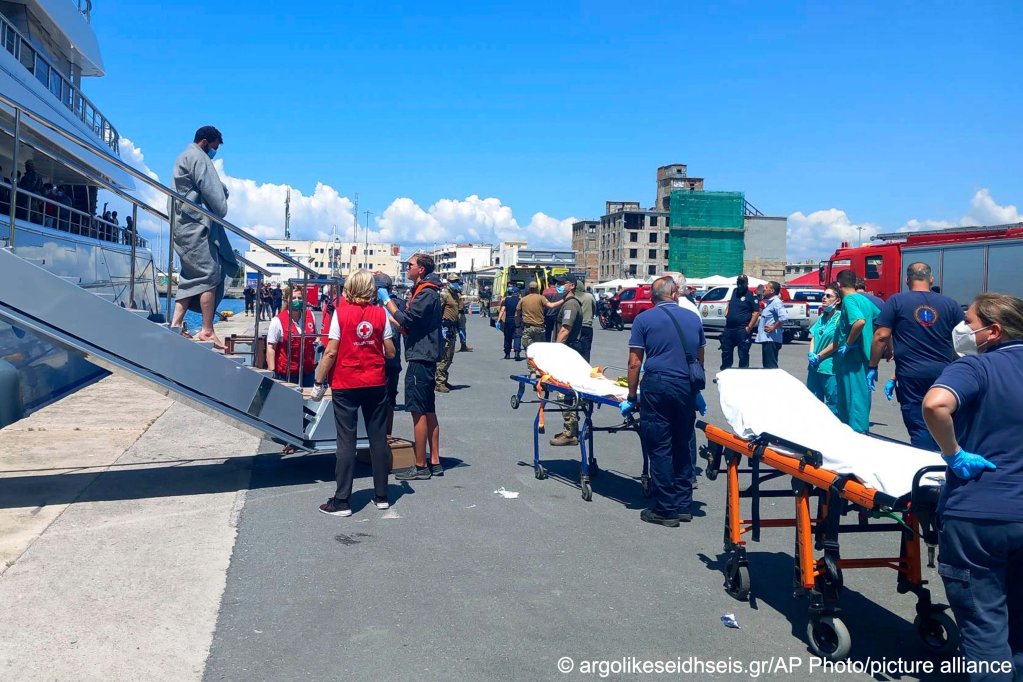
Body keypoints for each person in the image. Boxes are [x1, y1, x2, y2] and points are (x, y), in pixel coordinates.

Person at [921, 293, 1023, 677]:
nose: (962, 329)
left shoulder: (976, 368)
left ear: (993, 331)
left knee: (985, 629)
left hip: (978, 516)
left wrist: (953, 453)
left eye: (969, 321)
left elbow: (935, 405)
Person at [621, 276, 705, 527]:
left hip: (658, 385)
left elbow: (635, 362)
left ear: (652, 297)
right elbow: (699, 359)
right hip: (686, 386)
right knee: (682, 443)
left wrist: (632, 395)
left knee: (660, 445)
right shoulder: (693, 319)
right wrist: (695, 391)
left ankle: (665, 509)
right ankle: (683, 505)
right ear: (675, 294)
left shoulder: (644, 319)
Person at [310, 270, 395, 517]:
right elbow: (390, 352)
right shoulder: (380, 314)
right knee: (377, 438)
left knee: (346, 441)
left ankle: (342, 500)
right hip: (375, 381)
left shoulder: (341, 313)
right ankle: (381, 495)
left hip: (346, 382)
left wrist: (318, 381)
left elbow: (331, 352)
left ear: (349, 288)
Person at [868, 262, 963, 450]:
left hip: (911, 375)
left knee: (920, 425)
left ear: (906, 280)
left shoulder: (896, 301)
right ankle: (947, 460)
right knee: (945, 419)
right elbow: (964, 338)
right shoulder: (950, 304)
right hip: (945, 374)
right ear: (931, 279)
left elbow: (882, 335)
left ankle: (925, 466)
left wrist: (873, 366)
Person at [378, 253, 444, 480]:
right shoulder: (428, 291)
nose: (408, 268)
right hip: (425, 354)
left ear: (422, 270)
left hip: (421, 357)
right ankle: (434, 461)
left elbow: (408, 320)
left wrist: (387, 301)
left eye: (411, 265)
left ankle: (420, 464)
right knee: (428, 409)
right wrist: (388, 317)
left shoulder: (426, 293)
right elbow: (407, 322)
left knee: (418, 411)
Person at [169, 125, 235, 348]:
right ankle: (207, 330)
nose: (214, 153)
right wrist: (223, 198)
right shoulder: (198, 157)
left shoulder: (183, 156)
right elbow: (214, 194)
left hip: (184, 225)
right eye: (214, 147)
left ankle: (176, 324)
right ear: (205, 142)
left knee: (191, 275)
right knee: (210, 274)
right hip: (196, 226)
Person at [828, 269, 880, 433]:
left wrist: (849, 343)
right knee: (860, 395)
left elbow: (859, 322)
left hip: (853, 358)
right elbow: (882, 320)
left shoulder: (849, 300)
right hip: (863, 356)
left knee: (853, 397)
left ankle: (857, 433)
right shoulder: (864, 300)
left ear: (839, 284)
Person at [550, 275, 586, 447]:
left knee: (564, 394)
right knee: (567, 393)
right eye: (556, 283)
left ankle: (570, 433)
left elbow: (565, 330)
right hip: (569, 352)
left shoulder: (571, 304)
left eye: (561, 283)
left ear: (571, 286)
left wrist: (556, 351)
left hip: (568, 352)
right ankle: (571, 429)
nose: (558, 286)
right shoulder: (567, 302)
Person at [265, 286, 318, 387]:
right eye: (293, 298)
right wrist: (272, 372)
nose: (297, 301)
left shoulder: (311, 316)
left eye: (299, 298)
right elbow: (271, 348)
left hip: (308, 372)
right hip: (286, 373)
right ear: (287, 299)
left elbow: (315, 338)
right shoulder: (278, 321)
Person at [806, 284, 842, 416]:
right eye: (823, 295)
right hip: (814, 366)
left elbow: (836, 343)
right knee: (813, 400)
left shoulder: (839, 318)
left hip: (829, 367)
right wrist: (811, 353)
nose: (824, 298)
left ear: (837, 300)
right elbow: (814, 336)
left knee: (833, 401)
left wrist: (819, 356)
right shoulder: (822, 317)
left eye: (829, 296)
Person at [376, 274, 403, 435]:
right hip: (375, 360)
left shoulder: (397, 305)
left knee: (389, 401)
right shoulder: (369, 305)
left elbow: (400, 327)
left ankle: (386, 436)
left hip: (390, 360)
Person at [720, 275, 760, 370]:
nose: (740, 284)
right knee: (726, 351)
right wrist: (727, 311)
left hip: (742, 329)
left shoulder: (751, 295)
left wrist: (749, 327)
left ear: (746, 283)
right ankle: (725, 371)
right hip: (729, 328)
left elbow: (756, 312)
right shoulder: (734, 292)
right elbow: (730, 303)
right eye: (739, 282)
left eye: (742, 282)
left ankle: (743, 372)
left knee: (743, 353)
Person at [436, 273, 462, 393]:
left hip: (452, 328)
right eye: (453, 281)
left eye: (457, 280)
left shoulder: (456, 295)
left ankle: (444, 380)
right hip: (444, 327)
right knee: (444, 355)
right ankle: (439, 382)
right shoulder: (444, 294)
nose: (455, 282)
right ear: (448, 282)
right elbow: (438, 312)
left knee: (450, 355)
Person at [755, 280, 787, 369]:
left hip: (771, 340)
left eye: (766, 287)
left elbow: (783, 317)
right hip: (767, 339)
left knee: (771, 367)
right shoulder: (770, 302)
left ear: (772, 291)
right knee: (767, 367)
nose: (763, 289)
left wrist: (774, 327)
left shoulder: (776, 302)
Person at [516, 281, 552, 353]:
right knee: (539, 351)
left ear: (529, 289)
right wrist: (563, 300)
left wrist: (518, 326)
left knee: (529, 351)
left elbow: (517, 314)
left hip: (528, 328)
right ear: (537, 289)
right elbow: (551, 305)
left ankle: (531, 364)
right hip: (539, 328)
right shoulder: (541, 298)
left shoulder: (523, 299)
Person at [496, 286, 522, 361]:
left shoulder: (506, 300)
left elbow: (502, 310)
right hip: (517, 319)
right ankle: (517, 353)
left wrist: (498, 320)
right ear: (518, 293)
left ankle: (507, 353)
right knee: (517, 336)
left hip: (508, 320)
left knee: (508, 336)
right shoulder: (520, 300)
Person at [576, 284, 596, 362]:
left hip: (576, 327)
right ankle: (586, 366)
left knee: (576, 348)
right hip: (587, 325)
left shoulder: (573, 297)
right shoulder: (589, 296)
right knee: (586, 349)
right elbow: (594, 308)